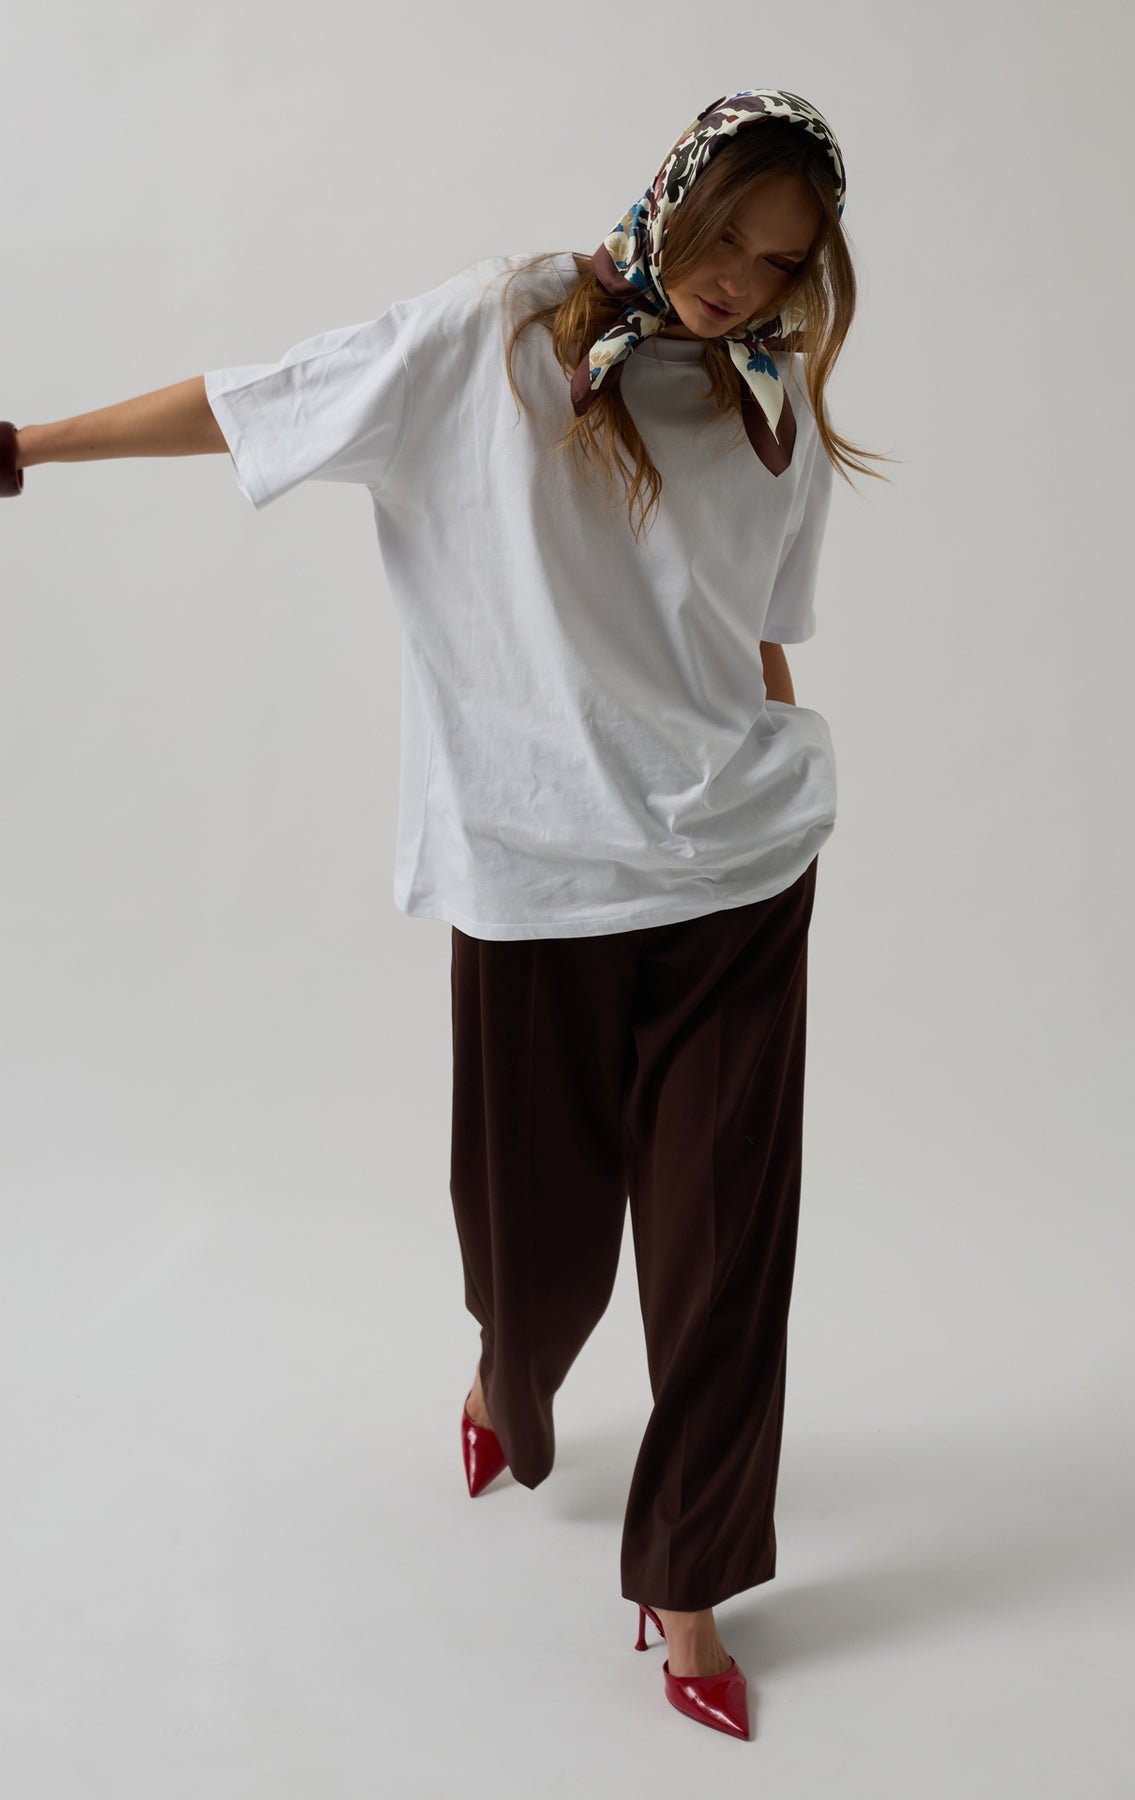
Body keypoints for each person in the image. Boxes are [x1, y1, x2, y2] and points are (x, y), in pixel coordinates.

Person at [2, 87, 890, 1740]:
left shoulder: (773, 407)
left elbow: (754, 632)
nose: (741, 285)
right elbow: (262, 398)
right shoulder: (496, 331)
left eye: (781, 266)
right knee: (532, 1242)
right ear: (672, 199)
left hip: (738, 871)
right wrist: (27, 446)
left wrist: (775, 777)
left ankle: (686, 1587)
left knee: (724, 1254)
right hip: (541, 870)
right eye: (728, 243)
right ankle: (509, 1374)